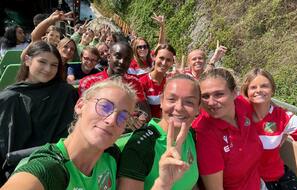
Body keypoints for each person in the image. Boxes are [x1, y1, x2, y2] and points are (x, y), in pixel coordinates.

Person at [1, 79, 191, 190]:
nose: (111, 120)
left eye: (123, 116)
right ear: (80, 106)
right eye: (105, 106)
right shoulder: (49, 169)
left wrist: (163, 183)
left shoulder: (112, 157)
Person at [0, 41, 78, 185]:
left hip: (61, 166)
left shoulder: (66, 93)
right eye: (42, 62)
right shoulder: (9, 99)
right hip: (19, 172)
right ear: (27, 60)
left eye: (54, 65)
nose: (48, 69)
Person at [118, 74, 200, 190]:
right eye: (172, 99)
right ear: (161, 101)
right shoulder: (142, 145)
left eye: (189, 102)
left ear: (198, 108)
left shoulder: (191, 135)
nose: (179, 107)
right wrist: (163, 184)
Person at [194, 68, 263, 190]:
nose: (211, 102)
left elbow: (270, 110)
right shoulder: (204, 132)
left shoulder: (243, 105)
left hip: (259, 183)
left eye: (219, 94)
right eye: (205, 96)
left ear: (234, 93)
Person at [241, 68, 297, 190]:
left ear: (272, 90)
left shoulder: (282, 116)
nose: (259, 90)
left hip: (280, 177)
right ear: (247, 92)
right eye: (253, 87)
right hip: (251, 181)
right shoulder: (239, 116)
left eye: (264, 86)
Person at [79, 41, 151, 124]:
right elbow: (87, 116)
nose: (122, 62)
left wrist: (142, 119)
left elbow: (145, 112)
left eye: (127, 59)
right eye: (118, 56)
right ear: (109, 57)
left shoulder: (134, 82)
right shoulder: (89, 82)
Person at [139, 44, 176, 118]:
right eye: (161, 58)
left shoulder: (172, 82)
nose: (164, 63)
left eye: (168, 60)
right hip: (150, 127)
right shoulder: (141, 83)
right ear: (154, 57)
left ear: (172, 62)